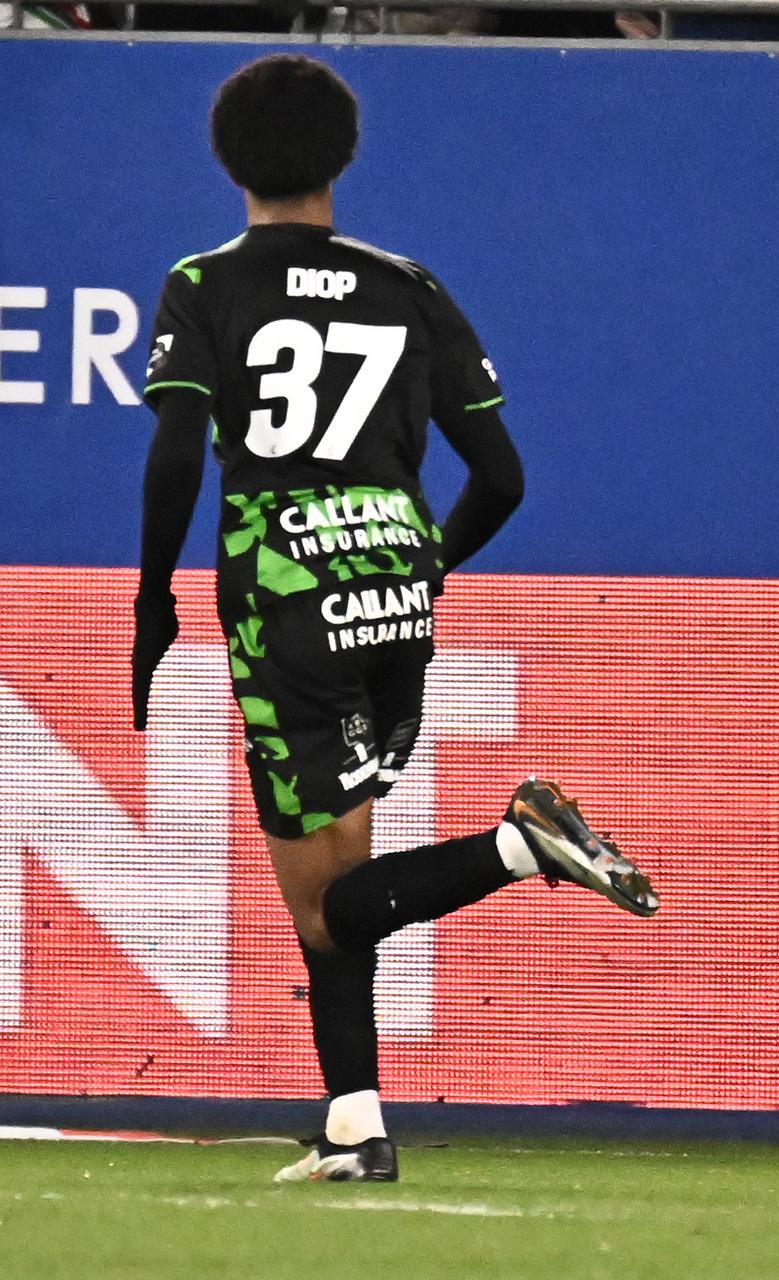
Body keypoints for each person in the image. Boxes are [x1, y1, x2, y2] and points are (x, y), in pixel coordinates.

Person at [133, 54, 659, 1184]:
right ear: (342, 156)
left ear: (230, 159)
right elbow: (503, 477)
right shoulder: (407, 283)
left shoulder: (203, 282)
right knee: (345, 874)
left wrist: (151, 597)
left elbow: (179, 450)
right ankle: (356, 1124)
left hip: (284, 596)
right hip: (391, 599)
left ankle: (521, 840)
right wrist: (424, 569)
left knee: (323, 905)